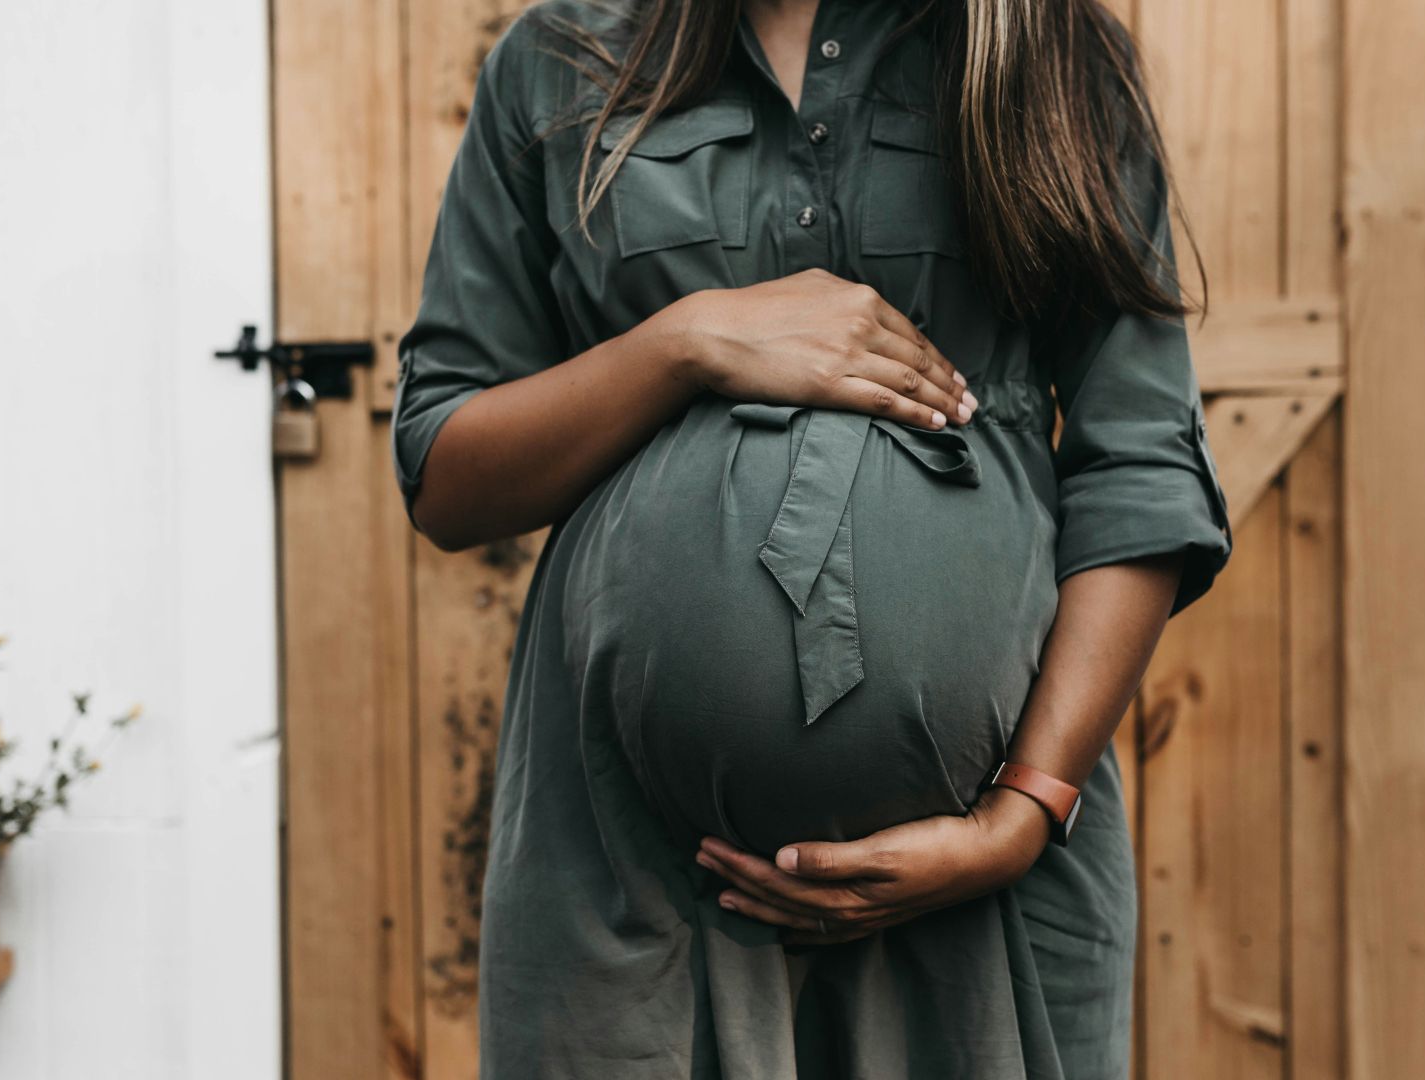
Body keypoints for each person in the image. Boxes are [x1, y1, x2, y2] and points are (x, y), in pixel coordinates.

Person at [390, 0, 1233, 1075]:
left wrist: (1024, 810)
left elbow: (1142, 463)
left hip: (986, 885)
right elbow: (446, 472)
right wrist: (684, 343)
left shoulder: (1049, 48)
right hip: (631, 882)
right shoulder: (562, 58)